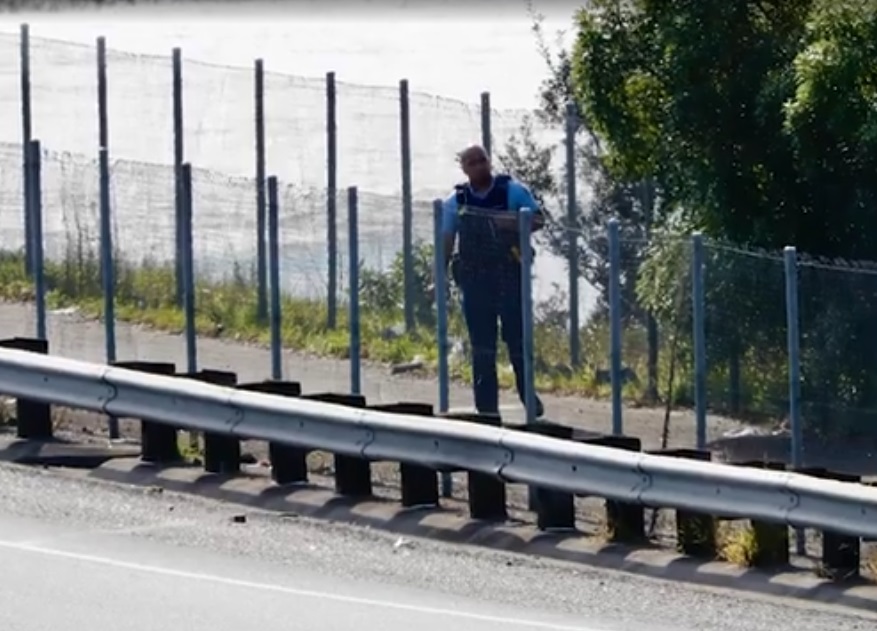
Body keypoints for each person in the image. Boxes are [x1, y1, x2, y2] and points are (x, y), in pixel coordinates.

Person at [437, 144, 545, 418]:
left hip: (510, 277)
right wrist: (438, 276)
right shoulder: (456, 201)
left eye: (481, 160)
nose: (478, 165)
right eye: (471, 162)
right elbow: (447, 241)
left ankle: (528, 396)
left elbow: (538, 219)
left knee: (518, 341)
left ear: (489, 161)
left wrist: (506, 221)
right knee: (482, 347)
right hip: (475, 282)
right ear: (464, 168)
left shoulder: (512, 191)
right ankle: (486, 411)